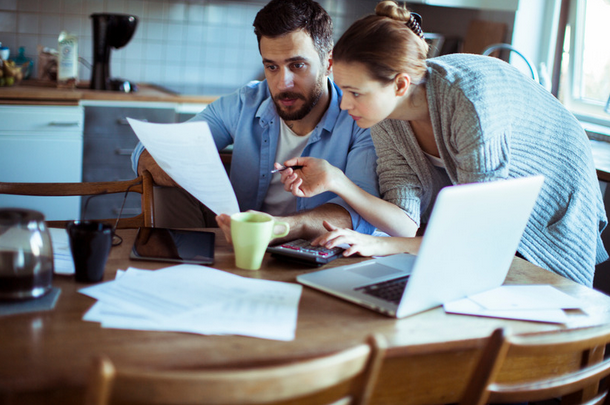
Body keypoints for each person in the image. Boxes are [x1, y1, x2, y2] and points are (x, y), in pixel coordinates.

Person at [279, 0, 608, 286]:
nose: (343, 104)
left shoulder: (469, 105)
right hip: (492, 221)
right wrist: (338, 182)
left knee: (547, 315)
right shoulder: (384, 117)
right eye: (343, 90)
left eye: (355, 93)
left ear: (399, 85)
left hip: (555, 191)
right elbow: (405, 223)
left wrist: (379, 245)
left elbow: (476, 232)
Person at [131, 0, 379, 242]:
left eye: (298, 65)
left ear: (329, 62)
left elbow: (361, 212)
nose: (283, 83)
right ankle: (181, 267)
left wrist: (282, 227)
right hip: (236, 242)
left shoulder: (359, 118)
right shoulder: (244, 103)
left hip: (309, 249)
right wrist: (182, 172)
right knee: (165, 184)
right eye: (272, 67)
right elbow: (147, 152)